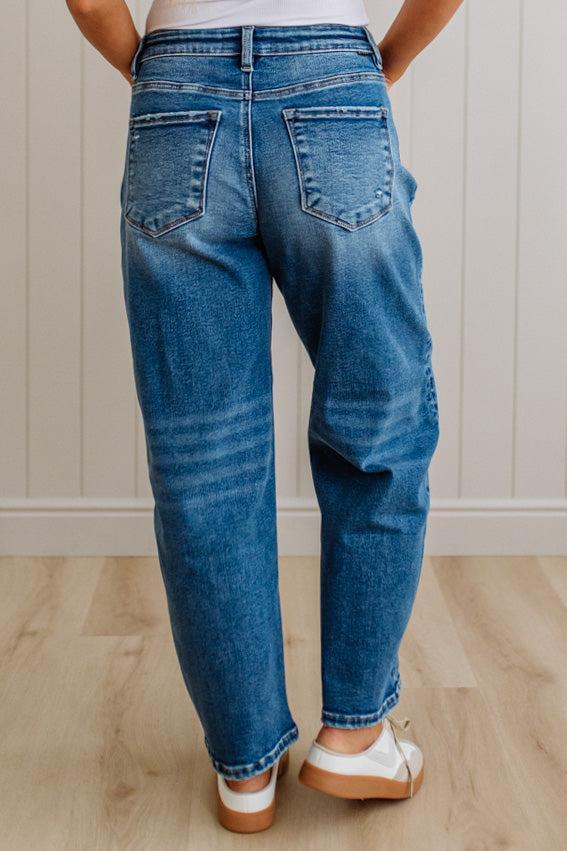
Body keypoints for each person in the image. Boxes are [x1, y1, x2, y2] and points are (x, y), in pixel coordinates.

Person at [66, 0, 461, 834]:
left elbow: (94, 2)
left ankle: (243, 767)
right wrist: (384, 59)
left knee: (202, 462)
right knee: (377, 428)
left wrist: (151, 70)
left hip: (175, 94)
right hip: (332, 89)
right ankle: (353, 733)